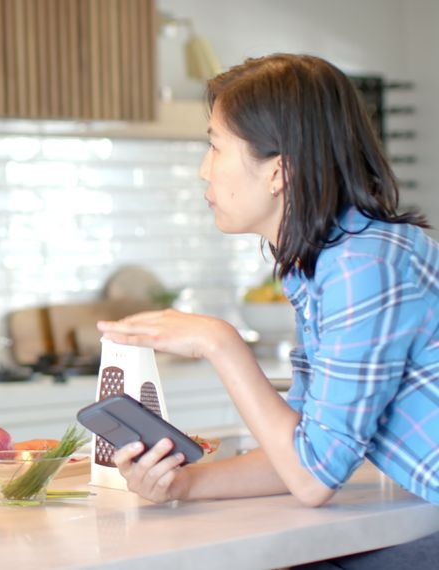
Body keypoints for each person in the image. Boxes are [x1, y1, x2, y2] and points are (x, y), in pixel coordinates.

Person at [97, 54, 439, 565]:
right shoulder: (326, 264)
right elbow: (301, 448)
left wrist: (220, 342)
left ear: (279, 171)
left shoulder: (361, 266)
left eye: (214, 146)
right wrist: (183, 485)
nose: (202, 170)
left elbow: (312, 478)